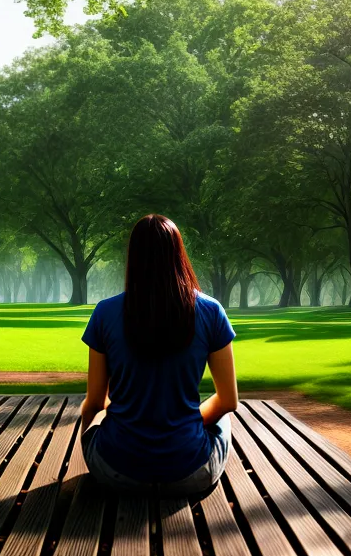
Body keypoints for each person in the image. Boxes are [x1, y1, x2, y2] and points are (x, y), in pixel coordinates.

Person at [80, 213, 238, 497]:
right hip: (190, 473)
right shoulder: (211, 311)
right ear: (179, 254)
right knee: (224, 419)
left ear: (134, 257)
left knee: (100, 424)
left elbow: (94, 403)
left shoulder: (105, 312)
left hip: (116, 472)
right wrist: (180, 425)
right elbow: (229, 401)